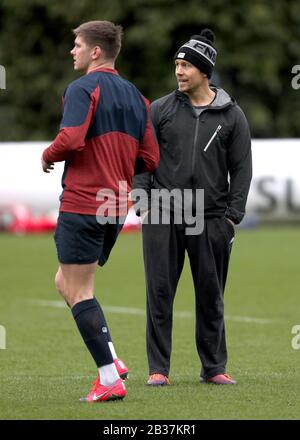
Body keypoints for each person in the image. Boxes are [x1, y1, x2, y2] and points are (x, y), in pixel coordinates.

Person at [41, 20, 159, 402]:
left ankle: (109, 378)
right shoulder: (138, 98)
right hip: (115, 206)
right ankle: (111, 358)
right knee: (65, 282)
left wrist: (48, 154)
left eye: (77, 45)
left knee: (79, 290)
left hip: (84, 201)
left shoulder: (82, 88)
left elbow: (71, 138)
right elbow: (150, 158)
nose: (71, 51)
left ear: (95, 51)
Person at [133, 29, 252, 386]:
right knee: (159, 292)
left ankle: (214, 368)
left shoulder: (232, 115)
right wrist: (144, 203)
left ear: (204, 71)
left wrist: (232, 216)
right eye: (177, 65)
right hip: (163, 214)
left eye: (186, 65)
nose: (179, 72)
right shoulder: (160, 110)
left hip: (212, 218)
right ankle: (158, 369)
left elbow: (242, 169)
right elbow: (142, 159)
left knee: (211, 296)